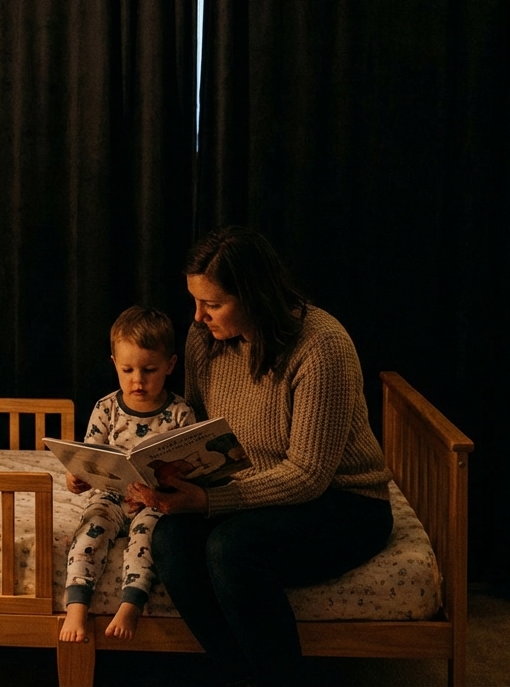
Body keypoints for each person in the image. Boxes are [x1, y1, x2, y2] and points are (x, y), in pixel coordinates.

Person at [128, 226, 394, 686]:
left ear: (253, 295)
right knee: (171, 539)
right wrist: (161, 479)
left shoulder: (320, 346)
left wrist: (208, 502)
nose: (197, 317)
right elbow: (195, 432)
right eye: (195, 302)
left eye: (211, 305)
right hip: (251, 489)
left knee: (231, 549)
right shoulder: (203, 341)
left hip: (343, 500)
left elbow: (308, 475)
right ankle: (239, 674)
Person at [60, 305, 198, 643]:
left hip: (153, 499)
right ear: (114, 365)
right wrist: (75, 479)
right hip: (109, 495)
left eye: (149, 370)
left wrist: (168, 482)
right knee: (89, 533)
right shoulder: (105, 408)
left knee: (147, 537)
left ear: (170, 366)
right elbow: (88, 459)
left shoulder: (180, 413)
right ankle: (77, 605)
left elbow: (190, 469)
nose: (138, 380)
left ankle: (131, 603)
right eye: (127, 369)